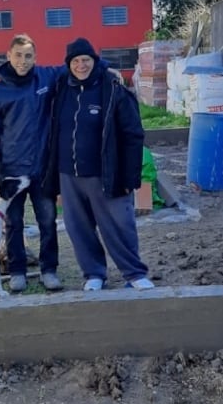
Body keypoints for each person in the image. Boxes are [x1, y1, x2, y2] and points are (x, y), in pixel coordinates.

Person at [41, 37, 154, 291]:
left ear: (95, 60)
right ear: (68, 64)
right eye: (76, 61)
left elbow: (133, 135)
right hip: (68, 175)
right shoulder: (61, 89)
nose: (81, 65)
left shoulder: (112, 88)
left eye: (86, 60)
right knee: (78, 228)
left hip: (105, 174)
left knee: (119, 225)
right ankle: (94, 273)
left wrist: (130, 177)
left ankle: (134, 274)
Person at [0, 34, 64, 292]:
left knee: (47, 221)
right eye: (18, 55)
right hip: (10, 175)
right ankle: (17, 271)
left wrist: (105, 68)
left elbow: (76, 65)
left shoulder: (45, 78)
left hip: (42, 171)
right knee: (13, 223)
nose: (23, 61)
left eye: (28, 56)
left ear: (35, 58)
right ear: (8, 56)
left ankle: (49, 270)